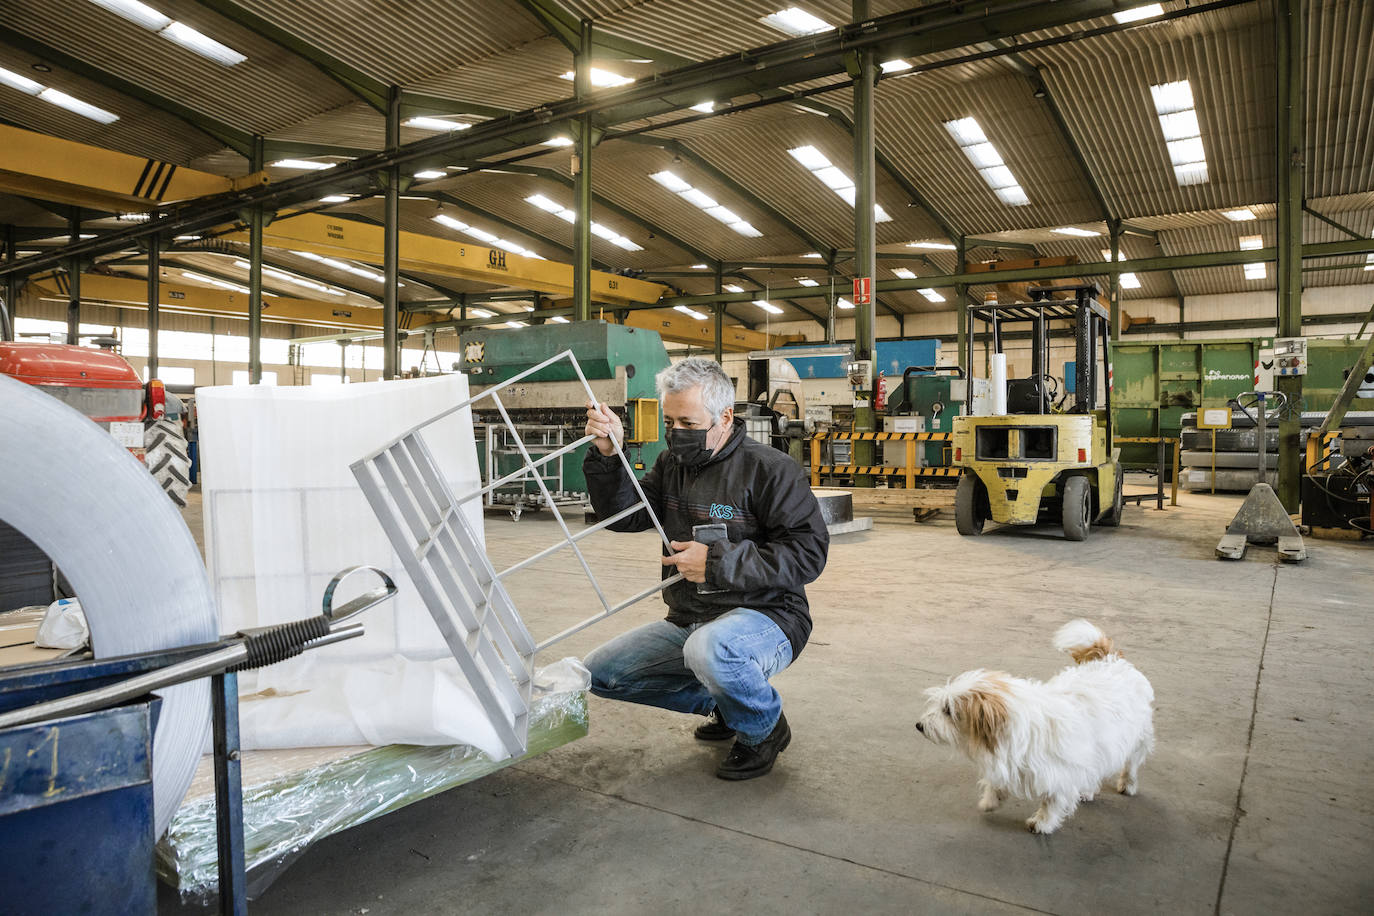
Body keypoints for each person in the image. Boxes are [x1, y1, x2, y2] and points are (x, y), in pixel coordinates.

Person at [581, 357, 829, 780]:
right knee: (601, 675)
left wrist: (715, 563)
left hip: (768, 615)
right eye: (670, 421)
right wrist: (610, 455)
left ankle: (764, 729)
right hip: (691, 616)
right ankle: (730, 704)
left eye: (689, 423)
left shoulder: (770, 469)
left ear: (725, 416)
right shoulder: (671, 465)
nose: (676, 433)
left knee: (710, 650)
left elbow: (808, 553)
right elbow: (625, 516)